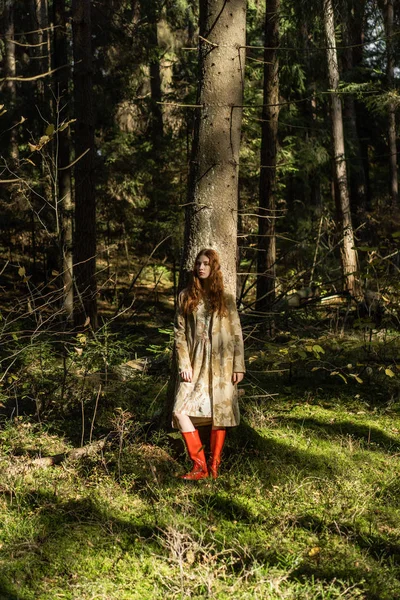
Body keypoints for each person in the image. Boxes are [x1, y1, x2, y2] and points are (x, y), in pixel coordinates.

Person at [173, 248, 245, 480]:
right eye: (198, 263)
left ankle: (213, 469)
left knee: (218, 414)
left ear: (213, 267)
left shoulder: (226, 299)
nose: (201, 267)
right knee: (179, 411)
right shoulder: (186, 296)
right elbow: (179, 333)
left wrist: (239, 366)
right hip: (194, 363)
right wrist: (183, 363)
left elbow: (236, 334)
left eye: (206, 264)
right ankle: (199, 465)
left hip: (221, 365)